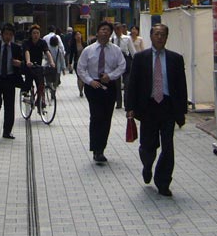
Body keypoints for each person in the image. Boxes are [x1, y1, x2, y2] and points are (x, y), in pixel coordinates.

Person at [125, 23, 187, 197]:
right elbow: (133, 84)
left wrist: (181, 111)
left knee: (168, 147)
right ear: (151, 36)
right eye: (156, 34)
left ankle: (163, 182)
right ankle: (147, 165)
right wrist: (130, 107)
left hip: (168, 106)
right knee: (147, 146)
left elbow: (181, 86)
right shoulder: (140, 58)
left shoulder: (175, 59)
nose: (159, 37)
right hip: (148, 107)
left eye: (163, 34)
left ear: (167, 37)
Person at [75, 21, 125, 164]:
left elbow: (122, 66)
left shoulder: (115, 50)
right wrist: (90, 81)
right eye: (102, 30)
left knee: (106, 118)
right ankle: (96, 149)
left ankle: (101, 148)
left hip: (109, 85)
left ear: (111, 33)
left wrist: (111, 76)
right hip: (93, 86)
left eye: (108, 30)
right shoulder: (89, 50)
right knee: (96, 116)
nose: (105, 32)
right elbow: (81, 68)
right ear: (97, 32)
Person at [23, 24, 55, 100]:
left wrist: (52, 62)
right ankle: (26, 93)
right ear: (31, 34)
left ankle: (40, 102)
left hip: (38, 66)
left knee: (40, 84)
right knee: (29, 80)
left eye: (37, 33)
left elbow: (47, 52)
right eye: (34, 33)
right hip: (29, 65)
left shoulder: (42, 42)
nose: (36, 35)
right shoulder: (27, 42)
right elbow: (27, 51)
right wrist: (28, 62)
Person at [111, 23, 136, 109]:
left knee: (127, 83)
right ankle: (118, 102)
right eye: (115, 29)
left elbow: (133, 52)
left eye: (118, 28)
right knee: (116, 84)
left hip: (126, 61)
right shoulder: (112, 39)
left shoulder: (127, 38)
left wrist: (135, 63)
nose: (116, 31)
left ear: (121, 29)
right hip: (116, 63)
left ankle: (127, 103)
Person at [71, 30, 86, 97]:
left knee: (84, 77)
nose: (78, 36)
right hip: (77, 63)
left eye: (79, 34)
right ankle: (80, 91)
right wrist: (69, 64)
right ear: (74, 37)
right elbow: (71, 55)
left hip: (85, 63)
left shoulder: (84, 44)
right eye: (77, 35)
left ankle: (84, 88)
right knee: (79, 77)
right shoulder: (73, 45)